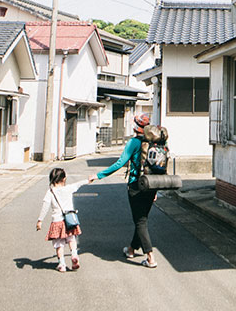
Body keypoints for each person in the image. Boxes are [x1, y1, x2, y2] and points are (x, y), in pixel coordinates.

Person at [89, 112, 158, 268]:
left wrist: (98, 175)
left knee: (140, 222)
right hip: (151, 186)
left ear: (136, 127)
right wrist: (155, 191)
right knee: (142, 220)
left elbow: (120, 163)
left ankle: (150, 257)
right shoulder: (154, 142)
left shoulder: (134, 142)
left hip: (136, 186)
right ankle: (132, 249)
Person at [36, 167, 93, 272]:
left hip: (57, 221)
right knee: (71, 239)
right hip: (70, 220)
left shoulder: (50, 192)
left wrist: (40, 220)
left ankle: (62, 264)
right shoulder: (68, 188)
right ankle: (74, 255)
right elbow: (78, 184)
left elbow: (45, 206)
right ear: (64, 179)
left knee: (59, 244)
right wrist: (88, 180)